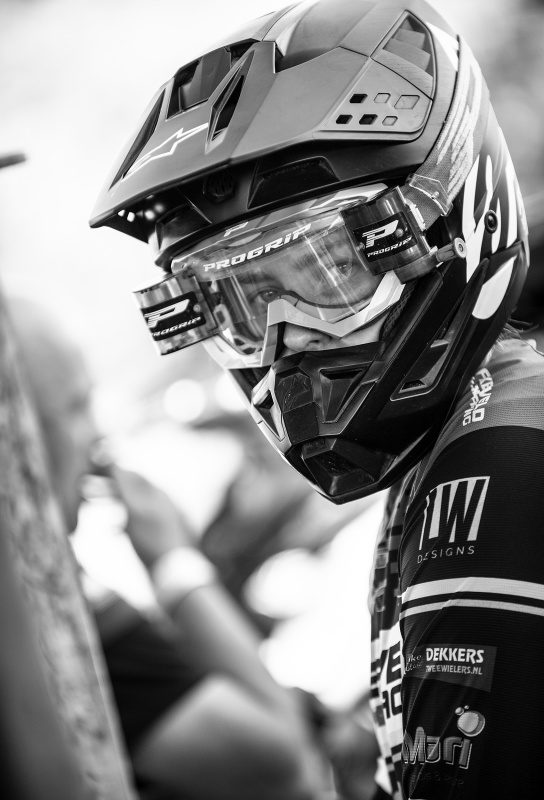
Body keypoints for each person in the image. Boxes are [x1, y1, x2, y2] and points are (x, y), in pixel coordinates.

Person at [90, 0, 543, 797]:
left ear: (438, 215)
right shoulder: (463, 430)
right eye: (239, 303)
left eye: (322, 275)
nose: (285, 337)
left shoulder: (501, 461)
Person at [9, 298, 329, 800]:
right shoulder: (48, 607)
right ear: (17, 435)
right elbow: (285, 768)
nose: (96, 436)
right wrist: (173, 562)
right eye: (74, 407)